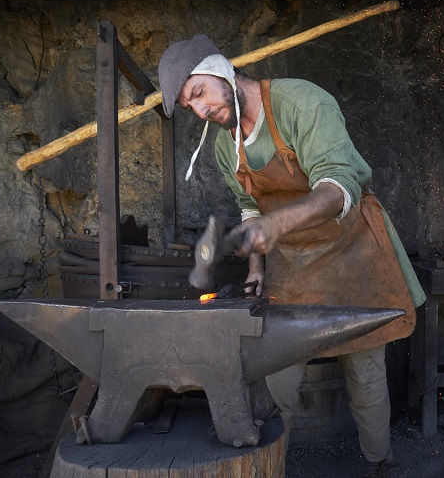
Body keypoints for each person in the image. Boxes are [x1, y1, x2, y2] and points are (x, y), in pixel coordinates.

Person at [158, 34, 426, 478]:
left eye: (199, 93)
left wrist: (275, 225)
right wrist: (257, 266)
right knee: (276, 369)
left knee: (365, 370)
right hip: (295, 263)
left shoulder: (301, 103)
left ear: (220, 68)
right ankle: (266, 466)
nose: (201, 110)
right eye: (191, 107)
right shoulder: (228, 146)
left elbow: (340, 185)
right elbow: (250, 207)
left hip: (352, 250)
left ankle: (379, 463)